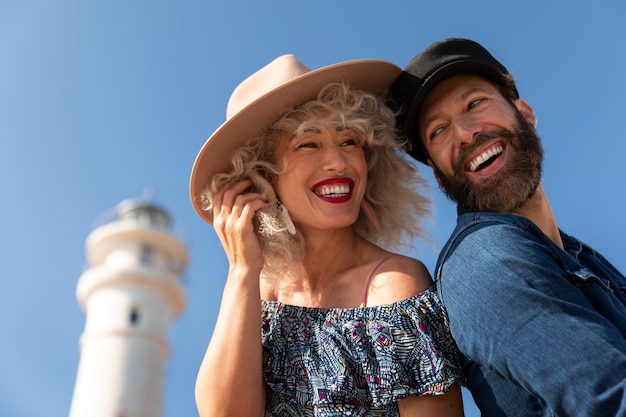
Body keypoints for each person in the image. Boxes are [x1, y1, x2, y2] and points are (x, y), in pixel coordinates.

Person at [189, 54, 465, 416]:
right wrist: (241, 272)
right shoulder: (256, 295)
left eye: (349, 141)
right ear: (260, 178)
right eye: (308, 144)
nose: (338, 161)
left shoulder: (393, 285)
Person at [391, 38, 626, 416]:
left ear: (526, 113)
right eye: (438, 131)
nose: (465, 133)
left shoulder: (575, 254)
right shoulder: (486, 259)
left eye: (474, 103)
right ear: (437, 174)